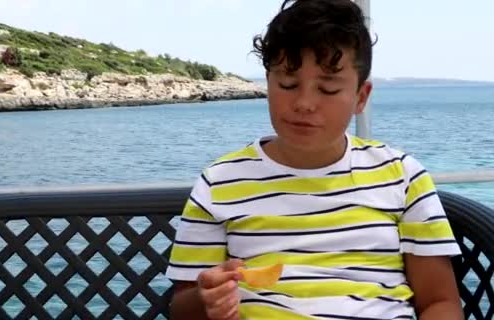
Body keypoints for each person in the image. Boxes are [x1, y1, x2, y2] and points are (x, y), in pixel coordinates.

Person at [165, 0, 463, 319]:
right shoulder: (219, 182)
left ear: (361, 97)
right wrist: (208, 297)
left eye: (328, 88)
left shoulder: (402, 177)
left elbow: (440, 302)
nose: (305, 103)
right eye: (288, 84)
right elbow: (182, 308)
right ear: (268, 83)